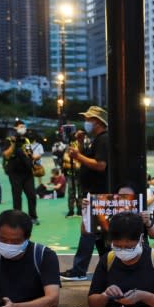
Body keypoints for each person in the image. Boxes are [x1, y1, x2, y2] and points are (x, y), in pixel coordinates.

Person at [60, 107, 109, 280]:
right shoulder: (95, 140)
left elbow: (100, 165)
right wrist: (80, 145)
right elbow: (89, 159)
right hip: (94, 191)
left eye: (89, 119)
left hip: (98, 192)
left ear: (97, 121)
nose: (86, 122)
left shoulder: (103, 140)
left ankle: (79, 270)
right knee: (98, 232)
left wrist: (78, 157)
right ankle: (107, 265)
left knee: (88, 230)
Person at [2, 120, 39, 225]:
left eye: (24, 126)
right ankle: (18, 219)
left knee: (32, 195)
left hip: (27, 172)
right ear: (15, 128)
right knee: (17, 196)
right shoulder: (9, 140)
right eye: (21, 126)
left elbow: (30, 154)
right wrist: (13, 144)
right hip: (14, 173)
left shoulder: (26, 140)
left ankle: (33, 217)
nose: (23, 128)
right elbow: (6, 155)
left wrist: (33, 158)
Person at [62, 129, 84, 217]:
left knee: (81, 193)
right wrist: (75, 162)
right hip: (71, 174)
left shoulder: (83, 144)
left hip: (81, 174)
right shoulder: (69, 145)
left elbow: (82, 154)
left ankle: (80, 210)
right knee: (71, 192)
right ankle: (71, 210)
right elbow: (65, 156)